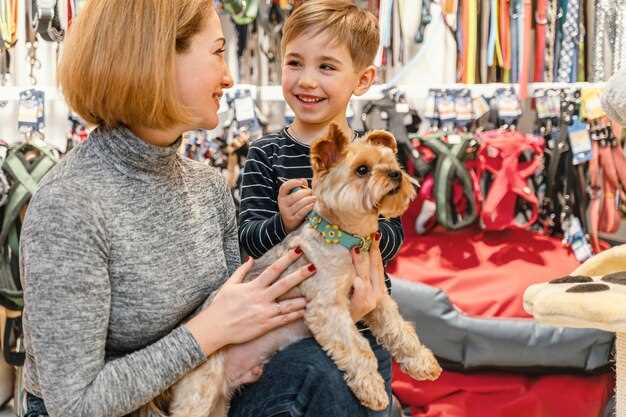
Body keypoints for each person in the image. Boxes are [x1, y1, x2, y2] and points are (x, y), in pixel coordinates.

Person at [19, 1, 323, 416]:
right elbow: (74, 405)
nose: (229, 77)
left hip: (193, 397)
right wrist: (207, 333)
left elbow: (235, 314)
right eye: (217, 52)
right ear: (157, 58)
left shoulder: (208, 187)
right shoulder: (71, 205)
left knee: (327, 369)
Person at [236, 1, 402, 415]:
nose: (306, 80)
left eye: (327, 67)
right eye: (295, 63)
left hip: (362, 327)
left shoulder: (375, 154)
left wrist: (360, 226)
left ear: (362, 79)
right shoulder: (265, 154)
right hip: (287, 333)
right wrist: (284, 221)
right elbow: (247, 237)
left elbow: (394, 234)